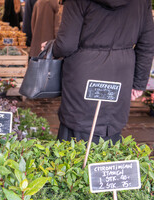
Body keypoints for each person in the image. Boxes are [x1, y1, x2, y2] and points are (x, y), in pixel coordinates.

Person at [49, 0, 154, 143]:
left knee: (76, 131)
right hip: (121, 74)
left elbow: (66, 44)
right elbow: (147, 44)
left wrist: (52, 47)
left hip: (83, 73)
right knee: (111, 130)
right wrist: (138, 83)